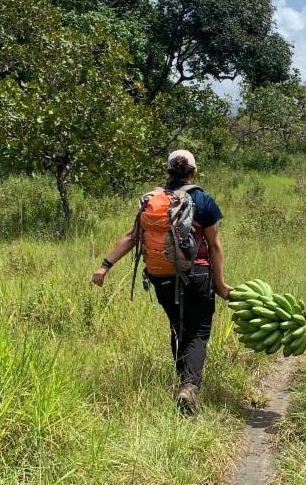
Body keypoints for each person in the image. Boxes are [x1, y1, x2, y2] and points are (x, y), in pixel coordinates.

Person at [92, 150, 231, 414]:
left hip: (161, 275)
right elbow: (214, 245)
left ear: (168, 171)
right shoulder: (202, 200)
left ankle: (183, 382)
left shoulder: (152, 200)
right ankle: (189, 388)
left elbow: (132, 236)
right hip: (197, 276)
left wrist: (105, 266)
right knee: (197, 331)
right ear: (194, 171)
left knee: (177, 327)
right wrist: (221, 285)